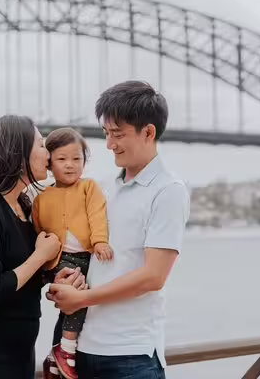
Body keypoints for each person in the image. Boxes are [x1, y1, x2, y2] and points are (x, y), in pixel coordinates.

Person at [48, 81, 190, 379]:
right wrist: (64, 279)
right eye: (107, 134)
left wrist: (82, 299)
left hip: (130, 356)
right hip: (82, 350)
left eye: (118, 134)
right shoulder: (103, 189)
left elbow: (154, 277)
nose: (110, 143)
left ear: (148, 132)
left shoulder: (168, 192)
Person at [0, 115, 86, 379]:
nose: (49, 153)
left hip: (21, 349)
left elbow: (18, 273)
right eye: (40, 144)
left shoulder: (24, 206)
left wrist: (53, 277)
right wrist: (39, 257)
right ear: (17, 151)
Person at [32, 127, 113, 379]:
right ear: (49, 163)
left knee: (81, 299)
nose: (70, 165)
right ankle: (66, 350)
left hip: (87, 256)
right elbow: (38, 231)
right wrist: (46, 267)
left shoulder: (89, 188)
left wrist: (99, 241)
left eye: (76, 159)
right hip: (58, 260)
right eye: (62, 159)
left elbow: (97, 214)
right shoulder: (41, 198)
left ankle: (56, 356)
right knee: (76, 293)